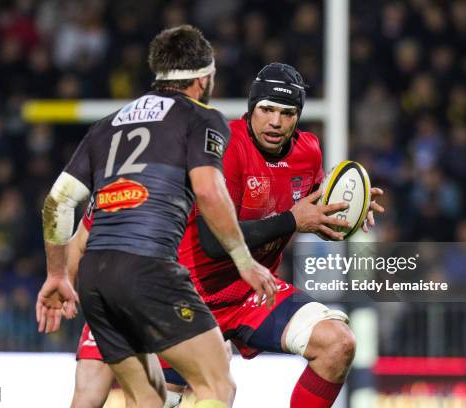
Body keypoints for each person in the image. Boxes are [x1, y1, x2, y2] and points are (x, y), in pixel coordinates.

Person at [64, 62, 385, 408]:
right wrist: (293, 221)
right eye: (267, 109)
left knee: (338, 344)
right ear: (251, 108)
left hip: (252, 294)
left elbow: (311, 203)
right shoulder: (224, 146)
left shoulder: (308, 152)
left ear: (298, 117)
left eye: (287, 113)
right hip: (186, 299)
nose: (276, 122)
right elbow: (214, 242)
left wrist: (344, 208)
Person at [36, 25, 278, 408]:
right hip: (147, 270)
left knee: (147, 399)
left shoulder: (107, 124)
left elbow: (56, 204)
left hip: (96, 278)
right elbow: (209, 190)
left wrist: (56, 275)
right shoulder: (201, 117)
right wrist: (245, 261)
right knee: (217, 386)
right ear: (204, 78)